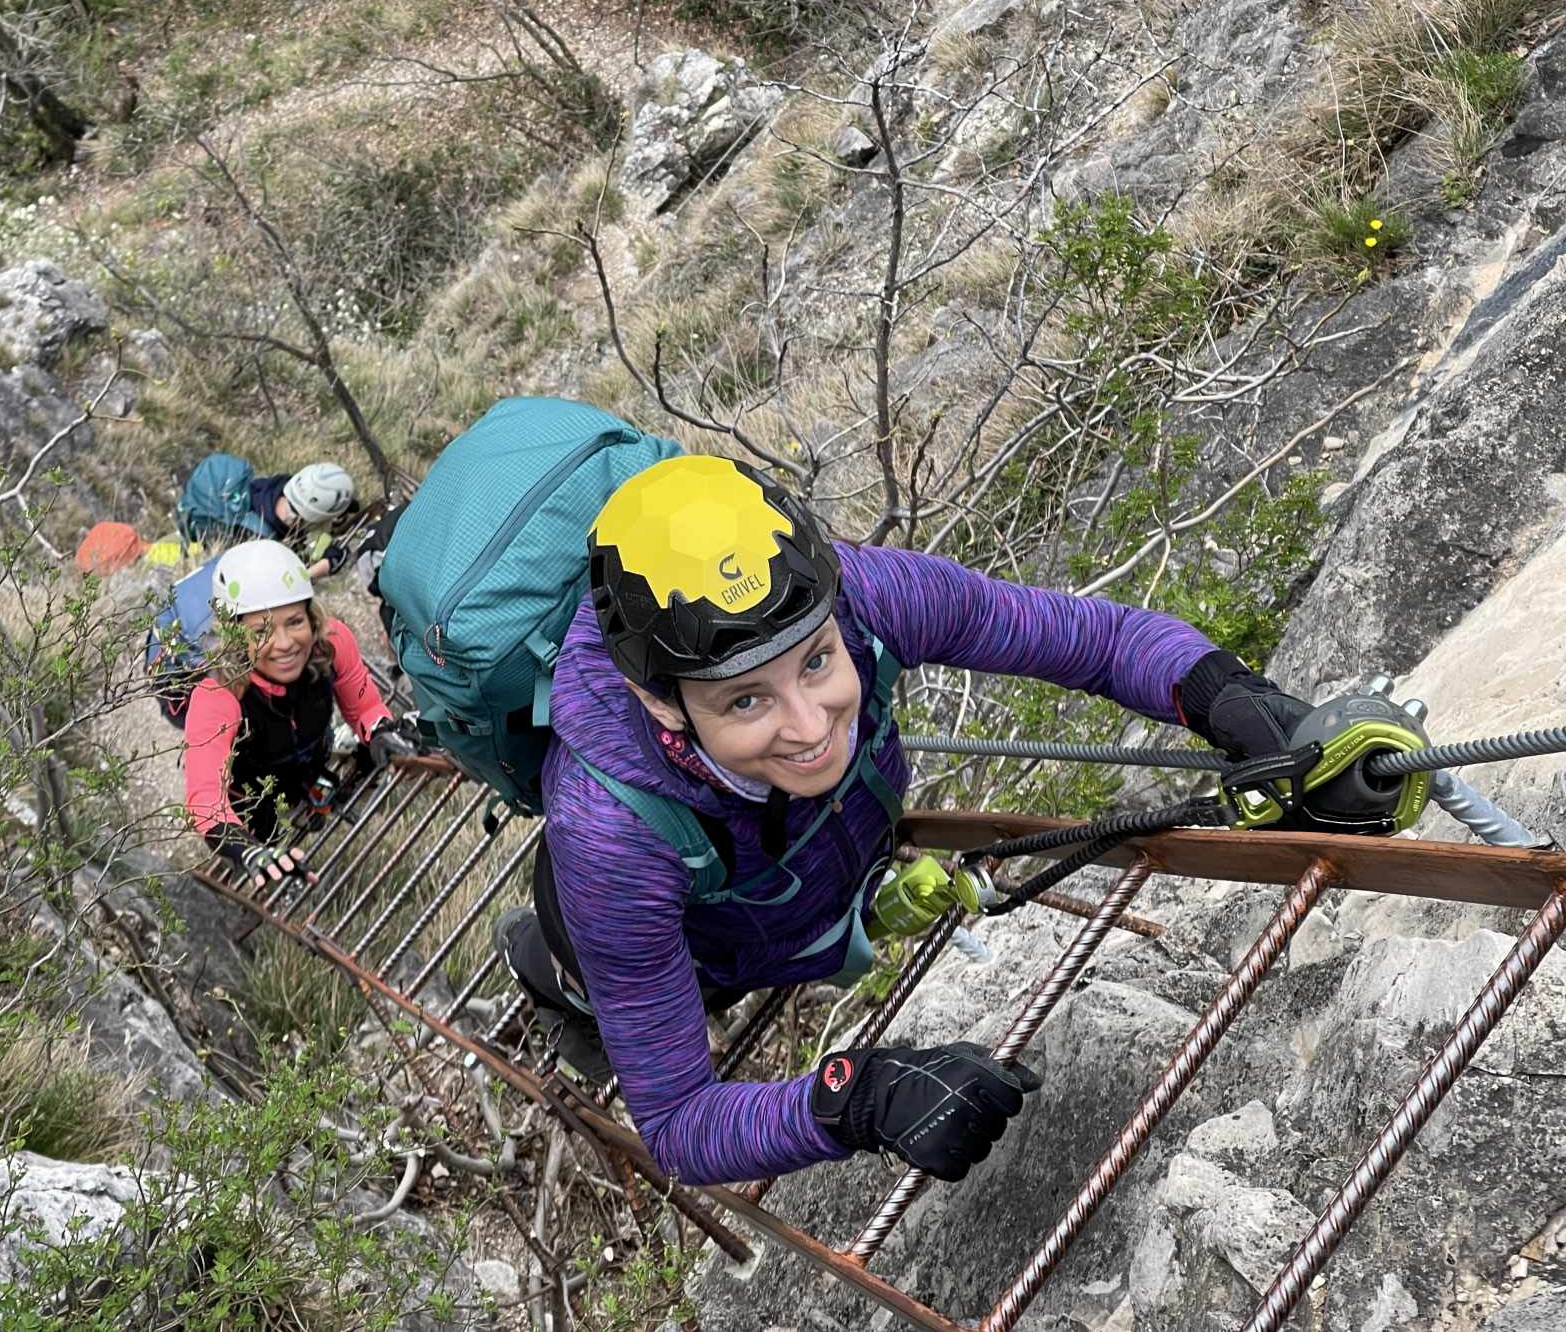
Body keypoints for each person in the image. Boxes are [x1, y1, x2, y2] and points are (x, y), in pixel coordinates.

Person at [494, 454, 1361, 1190]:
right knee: (637, 1004)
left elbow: (1085, 638)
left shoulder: (862, 597)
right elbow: (681, 1124)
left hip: (809, 871)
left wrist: (1223, 694)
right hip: (683, 933)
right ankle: (543, 970)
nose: (809, 723)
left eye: (818, 663)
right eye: (747, 698)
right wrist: (855, 1096)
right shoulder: (610, 835)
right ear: (661, 703)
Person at [184, 538, 421, 889]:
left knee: (334, 770)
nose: (284, 644)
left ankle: (315, 801)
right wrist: (247, 850)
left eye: (294, 622)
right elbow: (205, 800)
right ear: (234, 637)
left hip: (308, 757)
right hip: (252, 796)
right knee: (264, 837)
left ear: (311, 617)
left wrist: (380, 729)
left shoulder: (332, 641)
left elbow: (366, 708)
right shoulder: (217, 694)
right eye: (261, 631)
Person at [250, 462, 358, 580]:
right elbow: (281, 590)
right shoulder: (261, 544)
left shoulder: (267, 489)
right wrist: (314, 572)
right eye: (326, 521)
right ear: (312, 518)